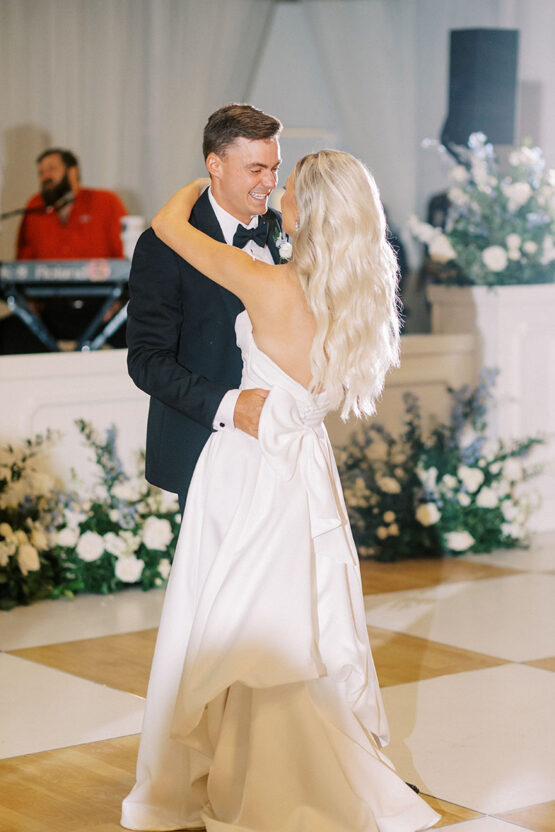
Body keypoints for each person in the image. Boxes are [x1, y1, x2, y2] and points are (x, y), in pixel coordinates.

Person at [121, 151, 440, 832]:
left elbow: (170, 226)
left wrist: (211, 179)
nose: (276, 191)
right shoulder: (359, 297)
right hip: (306, 469)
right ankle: (298, 768)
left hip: (248, 464)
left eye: (287, 184)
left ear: (312, 209)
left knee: (238, 619)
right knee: (300, 616)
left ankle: (253, 780)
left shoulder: (270, 286)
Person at [126, 104, 284, 514]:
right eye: (256, 169)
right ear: (215, 164)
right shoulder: (164, 244)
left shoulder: (285, 230)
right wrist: (234, 407)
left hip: (283, 446)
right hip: (204, 445)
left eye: (274, 168)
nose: (269, 182)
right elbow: (147, 361)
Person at [6, 148, 128, 349]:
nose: (45, 177)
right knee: (9, 335)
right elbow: (22, 263)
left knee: (143, 332)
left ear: (73, 172)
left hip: (102, 306)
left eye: (51, 169)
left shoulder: (106, 202)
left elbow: (127, 259)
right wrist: (28, 303)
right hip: (50, 310)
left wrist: (121, 300)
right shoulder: (34, 206)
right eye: (41, 172)